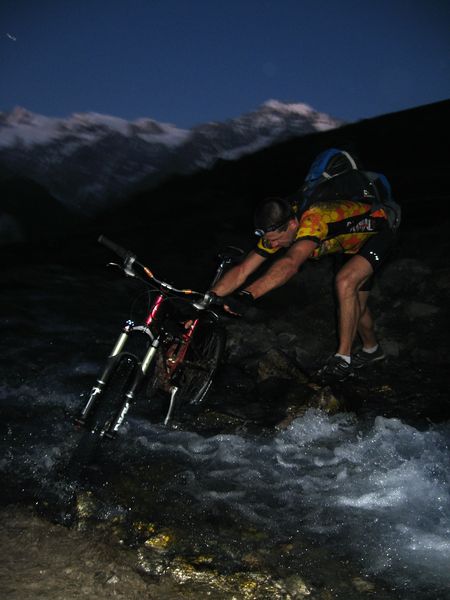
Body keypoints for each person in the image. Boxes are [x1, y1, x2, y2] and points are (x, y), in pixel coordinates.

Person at [210, 194, 396, 382]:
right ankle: (372, 349)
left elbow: (291, 263)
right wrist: (208, 300)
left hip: (378, 232)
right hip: (348, 246)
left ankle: (342, 360)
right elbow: (243, 270)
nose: (273, 245)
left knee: (345, 282)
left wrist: (247, 296)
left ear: (292, 225)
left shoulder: (313, 221)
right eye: (270, 240)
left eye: (276, 240)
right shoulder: (275, 230)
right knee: (357, 305)